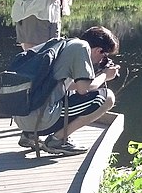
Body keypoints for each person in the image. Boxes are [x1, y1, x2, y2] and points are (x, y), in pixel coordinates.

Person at [17, 26, 121, 156]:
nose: (102, 61)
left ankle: (29, 135)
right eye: (104, 56)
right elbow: (84, 90)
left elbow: (71, 86)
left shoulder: (63, 44)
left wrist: (97, 73)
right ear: (99, 50)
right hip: (42, 119)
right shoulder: (82, 48)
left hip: (23, 118)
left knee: (68, 93)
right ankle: (57, 140)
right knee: (108, 98)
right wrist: (106, 75)